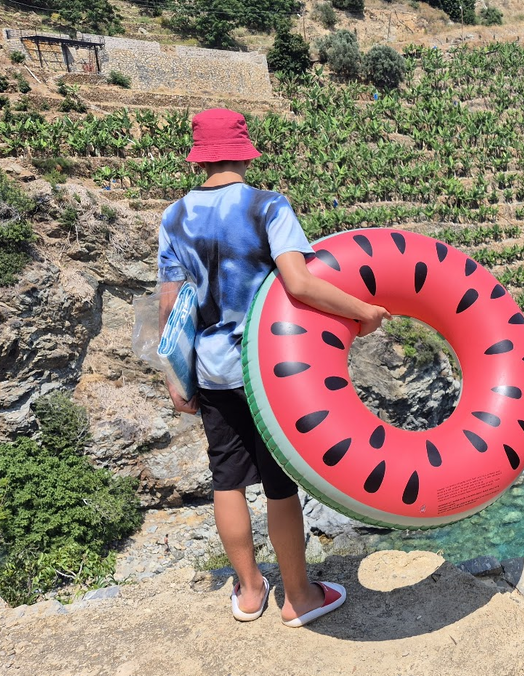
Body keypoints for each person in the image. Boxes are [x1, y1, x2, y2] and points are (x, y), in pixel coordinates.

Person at [157, 108, 391, 626]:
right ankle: (299, 597)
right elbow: (300, 283)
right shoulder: (267, 207)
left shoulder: (174, 218)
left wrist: (175, 376)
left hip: (211, 369)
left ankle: (247, 592)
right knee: (280, 484)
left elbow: (170, 303)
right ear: (244, 151)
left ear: (199, 158)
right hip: (268, 372)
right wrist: (364, 312)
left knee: (227, 479)